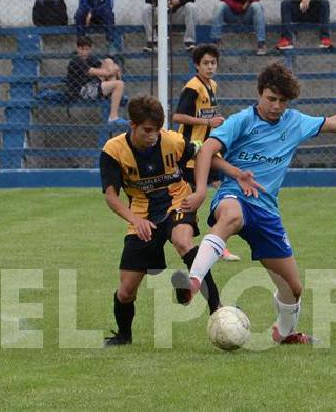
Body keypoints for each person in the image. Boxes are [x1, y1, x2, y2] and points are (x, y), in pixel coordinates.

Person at [177, 62, 336, 344]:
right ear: (260, 93)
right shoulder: (242, 120)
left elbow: (335, 123)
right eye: (271, 99)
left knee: (292, 289)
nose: (276, 106)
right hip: (235, 195)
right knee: (231, 217)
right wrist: (201, 191)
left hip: (267, 210)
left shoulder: (294, 122)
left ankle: (284, 333)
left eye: (283, 101)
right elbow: (208, 149)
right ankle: (195, 280)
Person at [99, 96, 245, 346]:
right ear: (132, 125)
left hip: (178, 201)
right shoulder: (113, 151)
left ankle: (217, 308)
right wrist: (135, 219)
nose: (153, 136)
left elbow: (205, 156)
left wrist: (204, 189)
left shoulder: (173, 140)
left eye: (157, 129)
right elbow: (111, 197)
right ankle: (124, 336)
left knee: (182, 240)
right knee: (126, 291)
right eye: (147, 130)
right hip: (142, 212)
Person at [172, 44, 241, 262]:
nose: (210, 67)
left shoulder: (212, 85)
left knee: (223, 193)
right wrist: (207, 121)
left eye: (213, 63)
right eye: (206, 63)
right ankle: (187, 241)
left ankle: (217, 243)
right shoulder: (193, 87)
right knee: (191, 198)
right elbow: (178, 117)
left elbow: (209, 118)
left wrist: (216, 129)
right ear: (197, 65)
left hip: (208, 151)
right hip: (191, 153)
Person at [66, 36, 127, 125]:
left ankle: (110, 94)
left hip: (93, 85)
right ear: (77, 48)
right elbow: (100, 73)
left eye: (87, 50)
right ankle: (113, 117)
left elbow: (105, 66)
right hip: (82, 90)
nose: (84, 52)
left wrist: (113, 68)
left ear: (90, 49)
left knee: (108, 61)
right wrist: (114, 70)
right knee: (119, 84)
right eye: (82, 49)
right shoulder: (75, 61)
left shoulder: (89, 58)